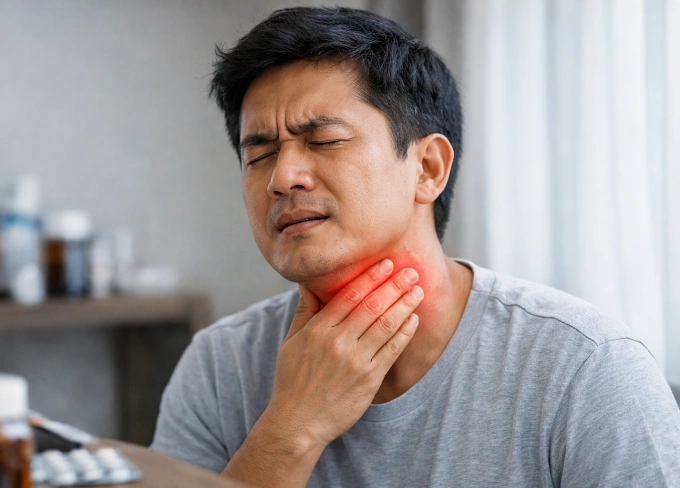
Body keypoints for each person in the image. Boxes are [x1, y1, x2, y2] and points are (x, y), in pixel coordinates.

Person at [151, 6, 680, 487]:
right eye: (259, 155)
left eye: (324, 141)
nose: (282, 177)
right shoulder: (219, 367)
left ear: (427, 169)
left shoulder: (586, 367)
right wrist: (292, 430)